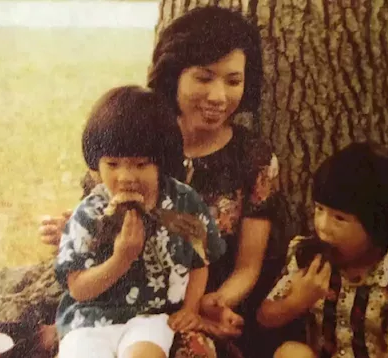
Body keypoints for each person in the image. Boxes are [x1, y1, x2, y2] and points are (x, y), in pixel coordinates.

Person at [41, 7, 287, 357]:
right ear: (175, 76)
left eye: (233, 81)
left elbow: (248, 266)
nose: (219, 96)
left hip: (203, 304)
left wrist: (209, 304)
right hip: (118, 299)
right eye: (204, 78)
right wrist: (70, 229)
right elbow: (100, 210)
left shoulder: (254, 158)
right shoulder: (135, 137)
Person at [55, 85, 225, 358]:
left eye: (140, 164)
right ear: (95, 167)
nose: (126, 177)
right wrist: (121, 259)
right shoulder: (89, 214)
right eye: (112, 164)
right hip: (88, 320)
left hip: (151, 317)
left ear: (161, 162)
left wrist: (190, 308)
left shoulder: (182, 204)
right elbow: (78, 289)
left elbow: (199, 261)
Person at [257, 142, 388, 358]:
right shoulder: (307, 257)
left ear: (377, 228)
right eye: (319, 209)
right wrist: (297, 301)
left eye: (340, 218)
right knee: (291, 352)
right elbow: (265, 317)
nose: (323, 226)